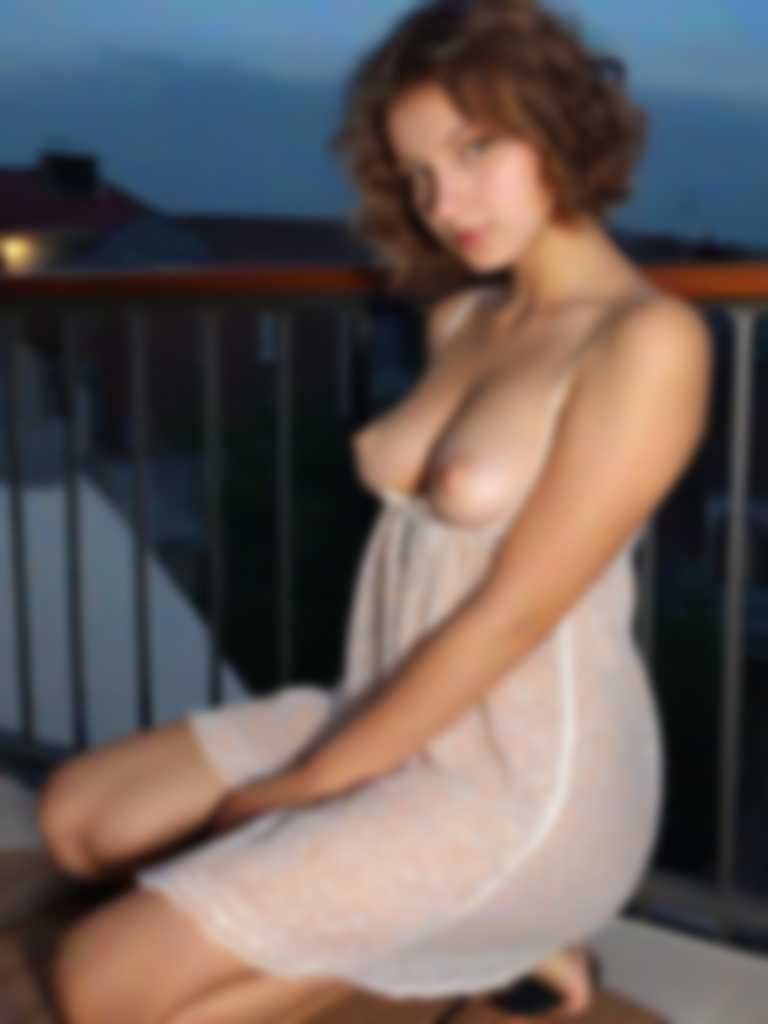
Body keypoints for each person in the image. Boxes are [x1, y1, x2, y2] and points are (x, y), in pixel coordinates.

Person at [37, 1, 712, 1021]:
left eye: (474, 148)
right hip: (382, 706)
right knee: (80, 820)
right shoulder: (462, 319)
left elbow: (513, 616)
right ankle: (462, 934)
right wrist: (320, 767)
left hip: (522, 779)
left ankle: (499, 926)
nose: (444, 200)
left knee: (98, 985)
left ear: (561, 123)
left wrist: (300, 790)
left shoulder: (649, 341)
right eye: (418, 173)